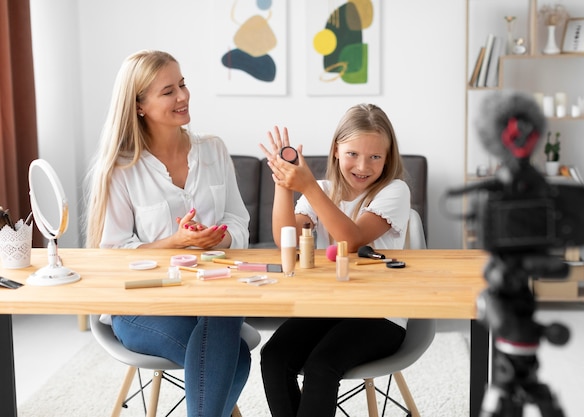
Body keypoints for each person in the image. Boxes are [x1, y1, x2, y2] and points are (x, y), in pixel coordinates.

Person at [84, 50, 251, 417]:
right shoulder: (120, 168)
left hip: (210, 296)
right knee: (233, 356)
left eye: (183, 84)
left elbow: (239, 221)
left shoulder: (214, 151)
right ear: (139, 105)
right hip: (140, 306)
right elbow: (111, 254)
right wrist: (173, 244)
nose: (183, 96)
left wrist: (219, 238)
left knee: (225, 316)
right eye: (168, 91)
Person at [258, 103, 411, 417]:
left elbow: (350, 239)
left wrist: (309, 187)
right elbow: (284, 236)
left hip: (381, 314)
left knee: (322, 365)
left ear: (388, 157)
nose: (363, 166)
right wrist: (283, 183)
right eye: (353, 154)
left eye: (375, 157)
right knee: (274, 357)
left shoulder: (395, 191)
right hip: (330, 308)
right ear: (336, 151)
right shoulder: (325, 190)